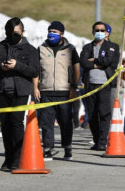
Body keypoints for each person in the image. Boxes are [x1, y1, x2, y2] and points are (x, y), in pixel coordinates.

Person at [0, 17, 39, 170]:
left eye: (16, 33)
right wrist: (1, 67)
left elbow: (34, 71)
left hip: (20, 91)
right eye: (10, 33)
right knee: (5, 125)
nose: (13, 36)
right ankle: (8, 157)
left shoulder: (30, 50)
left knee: (16, 123)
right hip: (1, 90)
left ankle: (17, 158)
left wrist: (17, 66)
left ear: (23, 32)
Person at [33, 21, 80, 161]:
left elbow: (76, 68)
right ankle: (48, 149)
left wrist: (73, 86)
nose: (51, 33)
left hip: (64, 91)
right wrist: (35, 87)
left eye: (55, 31)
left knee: (65, 122)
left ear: (62, 34)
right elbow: (36, 70)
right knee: (46, 123)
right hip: (46, 91)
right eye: (50, 30)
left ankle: (67, 147)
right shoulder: (41, 49)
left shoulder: (70, 49)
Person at [80, 21, 117, 151]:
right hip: (90, 85)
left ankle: (103, 141)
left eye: (102, 30)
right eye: (97, 30)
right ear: (93, 32)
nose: (100, 32)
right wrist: (97, 65)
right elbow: (83, 62)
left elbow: (109, 61)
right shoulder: (87, 47)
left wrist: (94, 60)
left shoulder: (112, 47)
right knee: (92, 115)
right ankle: (96, 140)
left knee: (104, 113)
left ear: (106, 32)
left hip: (105, 85)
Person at [104, 23, 120, 110]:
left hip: (110, 81)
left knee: (110, 108)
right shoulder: (91, 46)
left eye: (102, 30)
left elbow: (113, 63)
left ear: (107, 33)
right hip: (95, 83)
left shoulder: (114, 47)